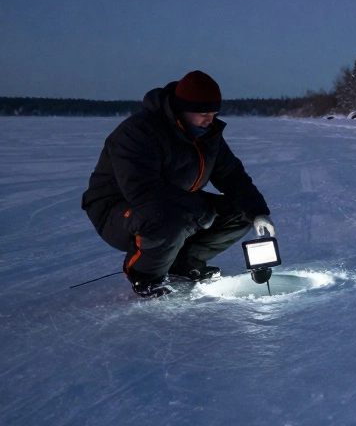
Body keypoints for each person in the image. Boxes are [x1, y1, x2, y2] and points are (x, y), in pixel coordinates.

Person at [82, 70, 274, 298]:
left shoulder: (207, 135)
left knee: (240, 213)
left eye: (214, 113)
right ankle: (145, 277)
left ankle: (183, 264)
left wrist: (257, 213)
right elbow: (143, 191)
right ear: (181, 109)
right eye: (203, 113)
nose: (210, 120)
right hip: (117, 210)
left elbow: (233, 177)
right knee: (165, 217)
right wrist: (197, 209)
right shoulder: (138, 132)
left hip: (173, 203)